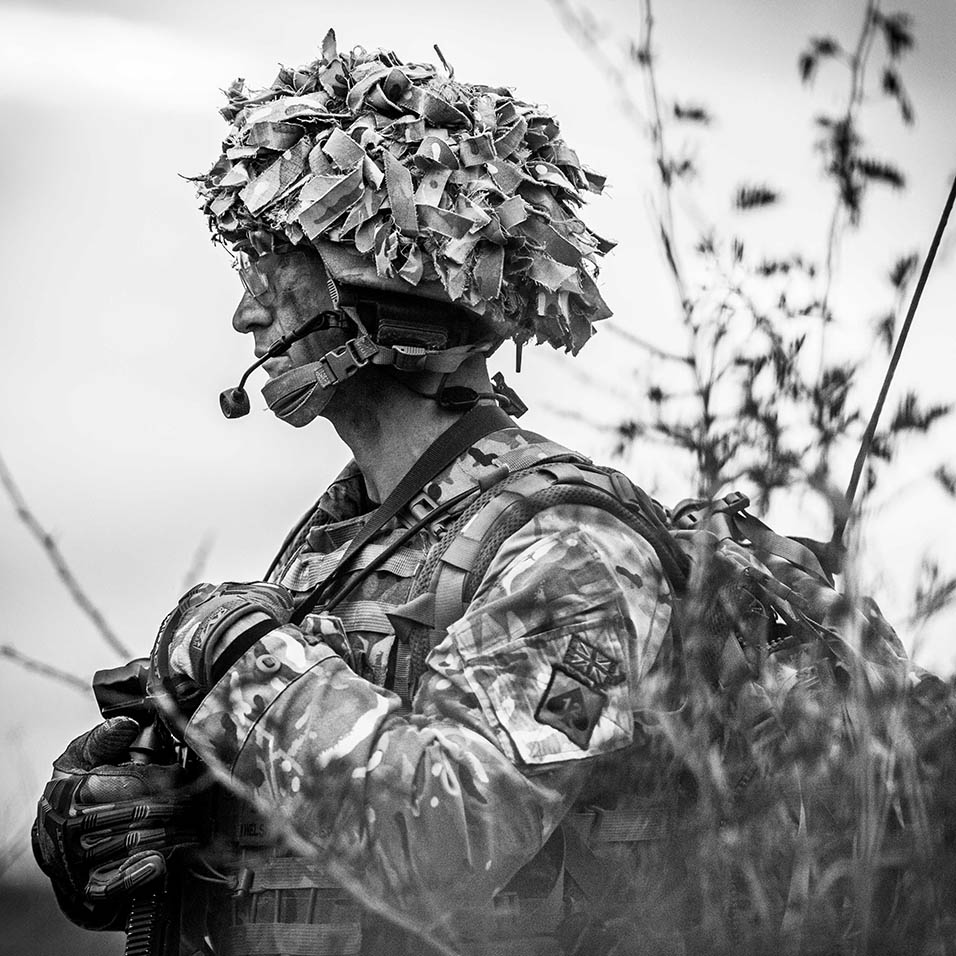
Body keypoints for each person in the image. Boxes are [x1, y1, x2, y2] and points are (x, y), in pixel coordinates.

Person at [33, 32, 681, 956]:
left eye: (279, 268)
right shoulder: (335, 545)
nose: (246, 313)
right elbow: (305, 824)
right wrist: (135, 815)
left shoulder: (569, 546)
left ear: (389, 293)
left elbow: (448, 845)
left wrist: (237, 653)